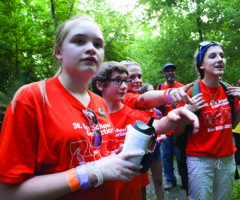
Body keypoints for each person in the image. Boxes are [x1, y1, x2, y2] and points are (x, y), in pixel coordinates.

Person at [0, 17, 200, 200]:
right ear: (58, 51)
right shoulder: (33, 98)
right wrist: (92, 171)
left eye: (97, 44)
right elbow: (8, 192)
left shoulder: (99, 103)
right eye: (79, 41)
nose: (91, 49)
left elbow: (100, 157)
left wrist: (170, 121)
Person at [91, 61, 199, 200]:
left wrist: (173, 118)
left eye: (125, 81)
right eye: (119, 81)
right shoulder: (89, 116)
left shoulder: (132, 113)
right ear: (100, 85)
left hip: (130, 189)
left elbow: (157, 123)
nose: (124, 86)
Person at [175, 41, 240, 200]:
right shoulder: (191, 92)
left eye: (222, 56)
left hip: (227, 159)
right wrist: (186, 113)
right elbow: (177, 132)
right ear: (201, 65)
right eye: (213, 56)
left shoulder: (228, 89)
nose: (220, 59)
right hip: (200, 161)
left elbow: (231, 125)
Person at [156, 63, 187, 191]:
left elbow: (188, 106)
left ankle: (185, 180)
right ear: (164, 74)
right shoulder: (160, 87)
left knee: (181, 157)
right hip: (165, 130)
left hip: (179, 129)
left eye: (172, 71)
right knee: (167, 157)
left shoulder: (181, 87)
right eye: (167, 71)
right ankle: (170, 181)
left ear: (175, 73)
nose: (170, 73)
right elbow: (156, 107)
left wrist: (178, 105)